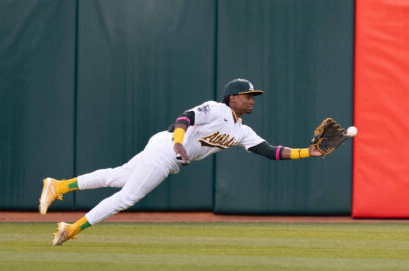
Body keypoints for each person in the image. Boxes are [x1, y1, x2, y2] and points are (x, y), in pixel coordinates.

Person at [39, 78, 322, 246]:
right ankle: (71, 228)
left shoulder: (242, 130)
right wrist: (178, 140)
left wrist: (307, 152)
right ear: (233, 98)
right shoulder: (217, 108)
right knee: (127, 196)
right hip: (166, 148)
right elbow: (185, 117)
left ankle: (59, 186)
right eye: (248, 96)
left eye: (254, 97)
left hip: (167, 151)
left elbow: (269, 150)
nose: (253, 100)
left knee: (120, 176)